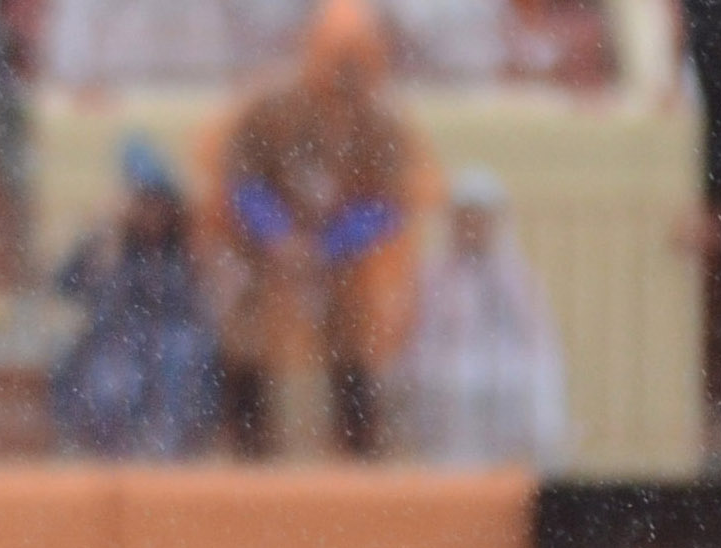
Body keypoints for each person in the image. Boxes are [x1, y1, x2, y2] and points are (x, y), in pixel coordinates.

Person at [202, 0, 433, 459]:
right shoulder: (271, 109)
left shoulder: (380, 123)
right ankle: (250, 452)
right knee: (251, 341)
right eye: (336, 59)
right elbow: (240, 177)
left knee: (354, 348)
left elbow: (393, 200)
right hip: (267, 259)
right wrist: (280, 238)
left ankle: (358, 454)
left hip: (348, 265)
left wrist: (329, 246)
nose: (345, 74)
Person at [49, 137, 222, 460]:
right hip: (116, 342)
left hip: (174, 343)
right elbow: (65, 286)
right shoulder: (110, 245)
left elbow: (200, 304)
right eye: (145, 205)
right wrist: (103, 243)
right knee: (112, 378)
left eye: (160, 206)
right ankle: (114, 461)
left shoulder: (183, 252)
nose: (153, 216)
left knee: (181, 358)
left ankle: (168, 457)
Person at [395, 165, 569, 467]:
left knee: (538, 378)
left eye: (480, 220)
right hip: (446, 366)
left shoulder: (513, 275)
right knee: (456, 383)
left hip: (504, 366)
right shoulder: (434, 274)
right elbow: (418, 332)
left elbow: (536, 335)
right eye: (465, 219)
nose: (472, 228)